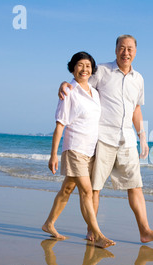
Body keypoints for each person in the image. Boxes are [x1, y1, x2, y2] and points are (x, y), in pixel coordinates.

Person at [59, 35, 153, 243]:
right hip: (102, 138)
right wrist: (65, 83)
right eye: (122, 48)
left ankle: (144, 231)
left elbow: (136, 108)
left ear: (135, 52)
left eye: (129, 49)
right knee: (95, 188)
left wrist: (142, 136)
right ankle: (93, 231)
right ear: (115, 50)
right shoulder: (102, 71)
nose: (125, 52)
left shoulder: (139, 79)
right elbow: (80, 83)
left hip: (127, 139)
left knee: (135, 186)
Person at [42, 51, 115, 249]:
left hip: (90, 150)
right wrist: (54, 155)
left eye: (88, 66)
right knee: (87, 191)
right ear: (73, 68)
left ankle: (49, 224)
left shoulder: (95, 92)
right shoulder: (69, 92)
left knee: (67, 189)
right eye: (80, 65)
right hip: (74, 147)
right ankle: (97, 234)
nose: (84, 69)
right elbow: (60, 125)